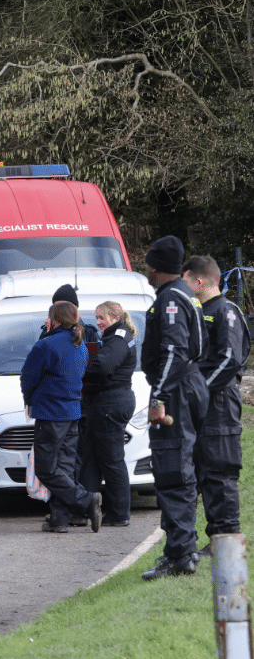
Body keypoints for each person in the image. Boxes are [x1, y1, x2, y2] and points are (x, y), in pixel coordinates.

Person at [140, 236, 208, 580]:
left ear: (157, 266)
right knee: (183, 469)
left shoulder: (170, 299)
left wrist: (158, 397)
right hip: (189, 386)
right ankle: (183, 549)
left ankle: (180, 555)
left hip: (176, 392)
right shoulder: (187, 296)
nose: (145, 267)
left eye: (148, 262)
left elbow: (172, 352)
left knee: (172, 471)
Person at [182, 254, 250, 547]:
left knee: (220, 472)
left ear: (199, 280)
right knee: (203, 472)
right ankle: (208, 540)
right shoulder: (198, 310)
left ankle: (225, 541)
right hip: (200, 404)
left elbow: (230, 360)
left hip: (219, 403)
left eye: (185, 280)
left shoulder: (226, 311)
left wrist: (201, 390)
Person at [20, 301, 102, 533]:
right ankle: (60, 519)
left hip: (50, 414)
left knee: (46, 469)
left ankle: (86, 500)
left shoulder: (46, 345)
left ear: (53, 319)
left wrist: (30, 399)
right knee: (64, 468)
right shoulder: (81, 346)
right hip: (72, 414)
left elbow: (28, 378)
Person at [80, 301, 138, 527]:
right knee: (93, 457)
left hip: (110, 402)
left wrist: (80, 373)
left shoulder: (117, 339)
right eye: (96, 318)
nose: (98, 322)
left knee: (112, 459)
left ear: (114, 318)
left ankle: (119, 513)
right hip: (106, 402)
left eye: (102, 318)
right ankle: (90, 508)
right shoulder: (116, 337)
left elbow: (103, 368)